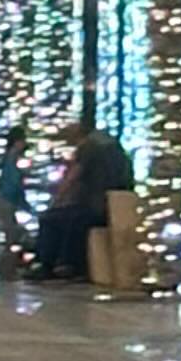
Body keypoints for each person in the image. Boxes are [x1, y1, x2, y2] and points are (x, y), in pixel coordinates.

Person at [29, 119, 136, 282]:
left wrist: (55, 201)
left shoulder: (89, 146)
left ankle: (50, 264)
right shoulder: (111, 144)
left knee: (52, 219)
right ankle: (66, 264)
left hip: (97, 207)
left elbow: (73, 177)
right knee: (72, 218)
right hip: (118, 205)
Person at [0, 120, 31, 272]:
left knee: (11, 234)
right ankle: (5, 268)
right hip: (8, 200)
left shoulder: (8, 158)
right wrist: (22, 201)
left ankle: (5, 267)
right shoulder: (12, 159)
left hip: (6, 199)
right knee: (11, 235)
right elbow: (13, 182)